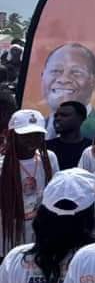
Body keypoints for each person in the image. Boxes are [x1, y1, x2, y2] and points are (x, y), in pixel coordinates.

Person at [1, 108, 60, 255]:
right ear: (12, 135)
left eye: (37, 135)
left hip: (38, 231)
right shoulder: (2, 164)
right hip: (7, 235)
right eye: (25, 135)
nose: (32, 140)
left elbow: (54, 191)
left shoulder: (49, 158)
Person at [40, 43, 95, 120]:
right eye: (56, 71)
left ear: (93, 81)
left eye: (76, 72)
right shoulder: (40, 125)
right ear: (43, 76)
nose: (63, 80)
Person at [46, 101, 92, 171]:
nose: (58, 118)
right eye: (56, 115)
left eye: (64, 115)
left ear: (81, 118)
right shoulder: (46, 147)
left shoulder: (91, 148)